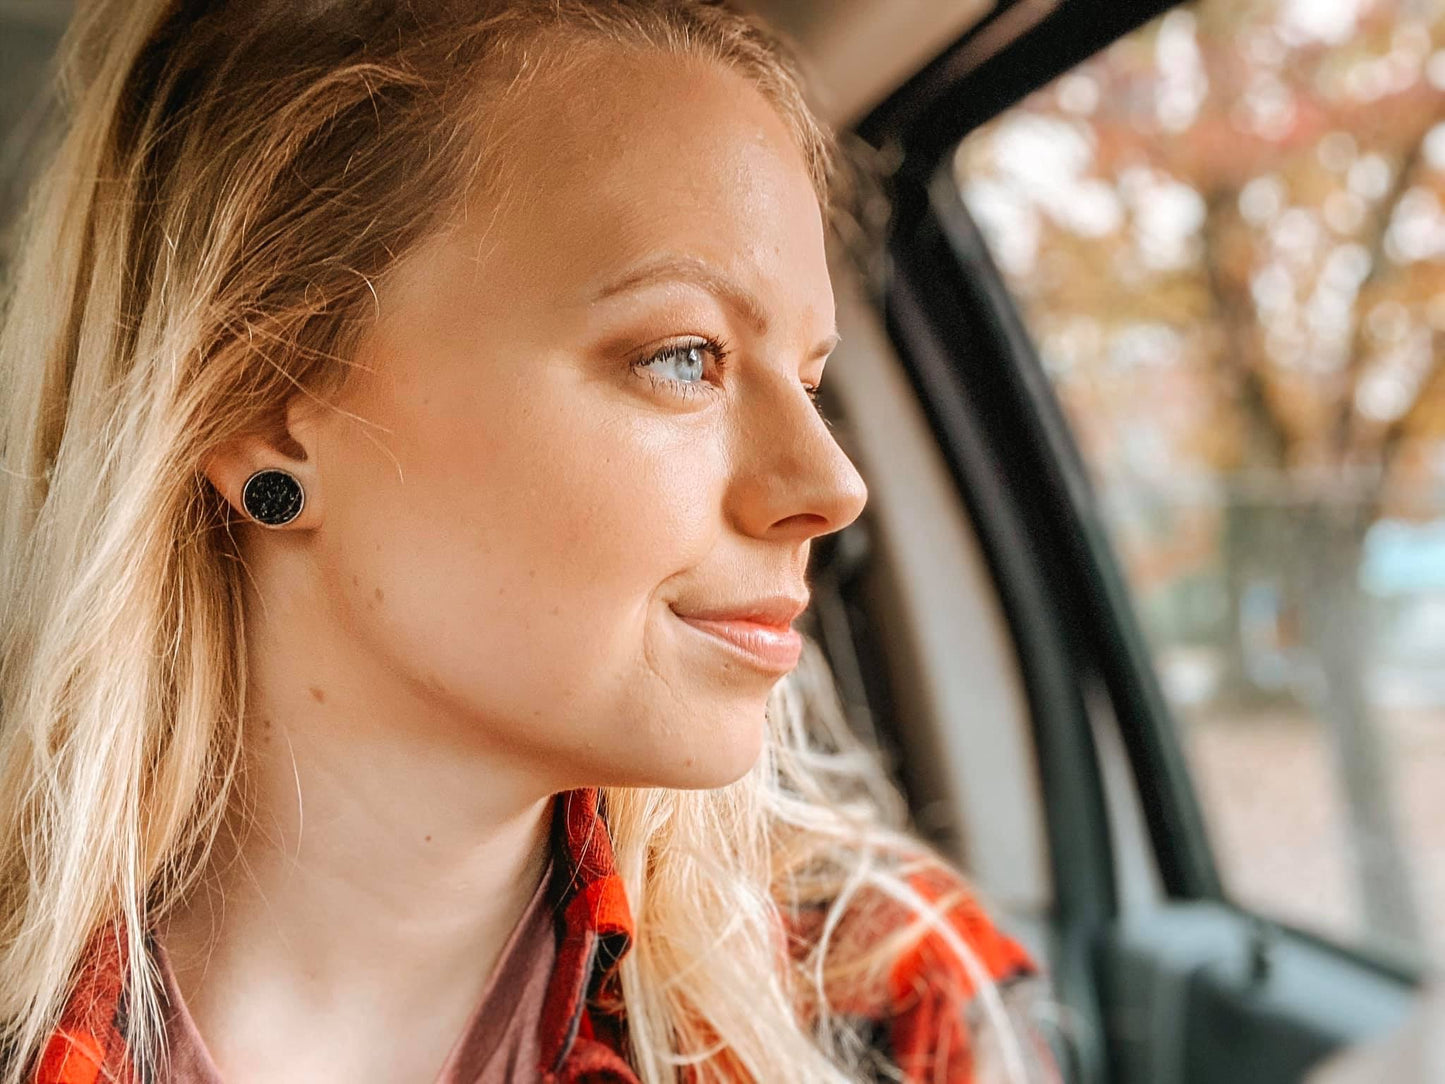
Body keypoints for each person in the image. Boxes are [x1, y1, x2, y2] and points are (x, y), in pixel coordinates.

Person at [0, 1, 1061, 1081]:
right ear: (271, 409)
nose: (832, 486)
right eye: (682, 356)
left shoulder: (890, 1010)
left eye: (806, 380)